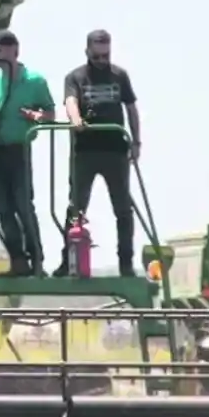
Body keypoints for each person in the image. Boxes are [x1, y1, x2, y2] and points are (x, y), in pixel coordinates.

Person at [54, 29, 141, 277]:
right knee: (76, 208)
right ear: (88, 52)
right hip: (86, 151)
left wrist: (137, 142)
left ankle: (126, 263)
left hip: (115, 150)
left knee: (123, 208)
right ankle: (67, 261)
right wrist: (76, 119)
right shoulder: (76, 77)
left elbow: (132, 108)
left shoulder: (120, 75)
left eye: (106, 56)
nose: (102, 61)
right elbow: (70, 101)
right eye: (98, 56)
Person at [0, 30, 54, 276]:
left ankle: (37, 260)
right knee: (3, 209)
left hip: (19, 150)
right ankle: (17, 260)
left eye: (0, 49)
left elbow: (50, 114)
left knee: (24, 206)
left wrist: (36, 116)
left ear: (14, 50)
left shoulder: (34, 80)